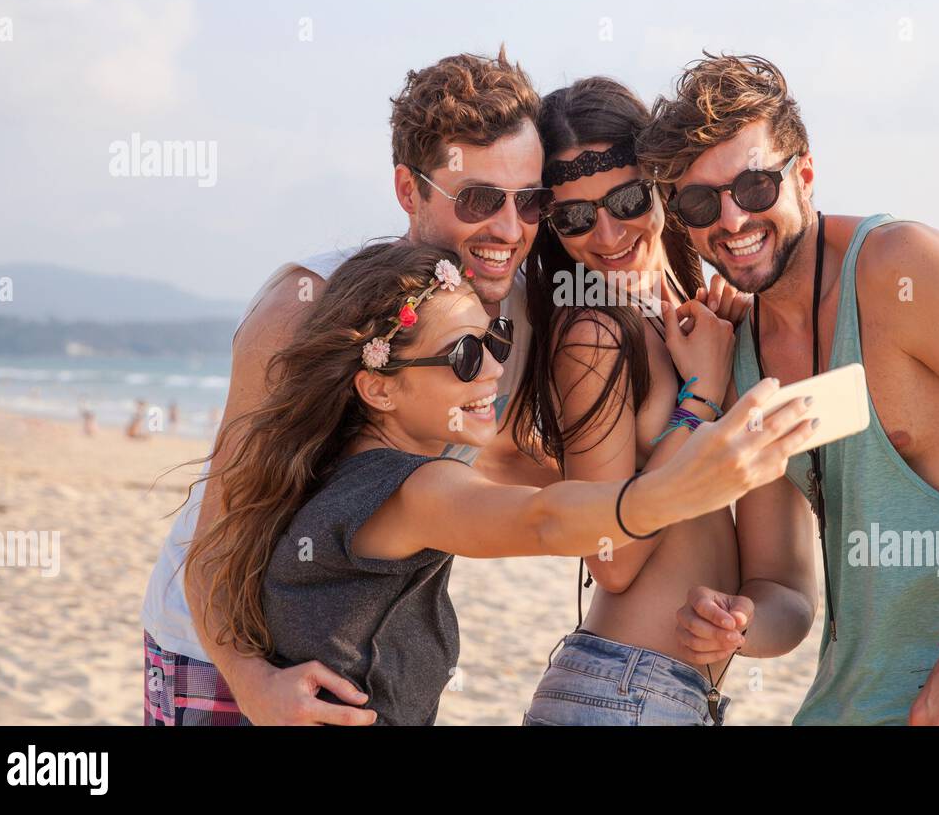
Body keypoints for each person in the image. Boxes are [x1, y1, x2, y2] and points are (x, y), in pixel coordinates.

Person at [636, 53, 939, 726]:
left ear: (803, 175)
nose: (733, 219)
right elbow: (783, 590)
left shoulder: (903, 271)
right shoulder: (743, 355)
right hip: (851, 703)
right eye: (698, 201)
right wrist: (740, 623)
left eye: (753, 186)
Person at [184, 241, 809, 724]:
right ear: (378, 387)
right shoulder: (414, 492)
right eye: (462, 356)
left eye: (494, 339)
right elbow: (545, 519)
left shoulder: (337, 476)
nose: (491, 369)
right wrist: (696, 468)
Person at [141, 47, 560, 725]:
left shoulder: (508, 310)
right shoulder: (305, 309)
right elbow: (219, 532)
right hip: (219, 648)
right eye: (479, 200)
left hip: (353, 657)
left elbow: (504, 453)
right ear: (408, 190)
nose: (509, 230)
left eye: (530, 201)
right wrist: (253, 685)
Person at [511, 78, 752, 726]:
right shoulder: (593, 331)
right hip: (623, 692)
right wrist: (699, 397)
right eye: (575, 217)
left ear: (661, 185)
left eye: (624, 199)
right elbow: (611, 561)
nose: (607, 232)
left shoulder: (689, 321)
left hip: (666, 696)